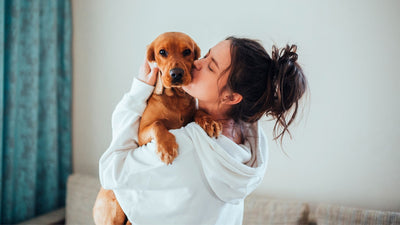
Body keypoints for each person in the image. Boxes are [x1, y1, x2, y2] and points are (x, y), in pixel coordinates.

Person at [99, 36, 308, 225]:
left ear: (231, 97)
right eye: (206, 55)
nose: (196, 64)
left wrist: (138, 91)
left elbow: (110, 171)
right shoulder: (252, 143)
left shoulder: (184, 146)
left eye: (211, 66)